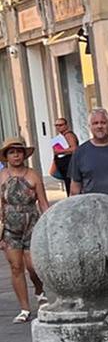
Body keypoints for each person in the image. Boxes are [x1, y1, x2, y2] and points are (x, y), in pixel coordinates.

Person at [0, 137, 49, 323]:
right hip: (10, 228)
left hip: (32, 225)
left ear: (24, 155)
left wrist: (49, 224)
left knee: (33, 267)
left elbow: (43, 203)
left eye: (19, 152)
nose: (16, 155)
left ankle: (40, 291)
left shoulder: (33, 175)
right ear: (6, 156)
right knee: (16, 267)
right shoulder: (2, 176)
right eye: (11, 152)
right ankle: (24, 308)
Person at [49, 118, 78, 196]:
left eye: (60, 125)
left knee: (70, 185)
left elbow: (74, 148)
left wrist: (60, 151)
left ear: (66, 125)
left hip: (68, 164)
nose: (58, 127)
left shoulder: (68, 135)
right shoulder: (61, 136)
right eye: (56, 125)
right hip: (63, 164)